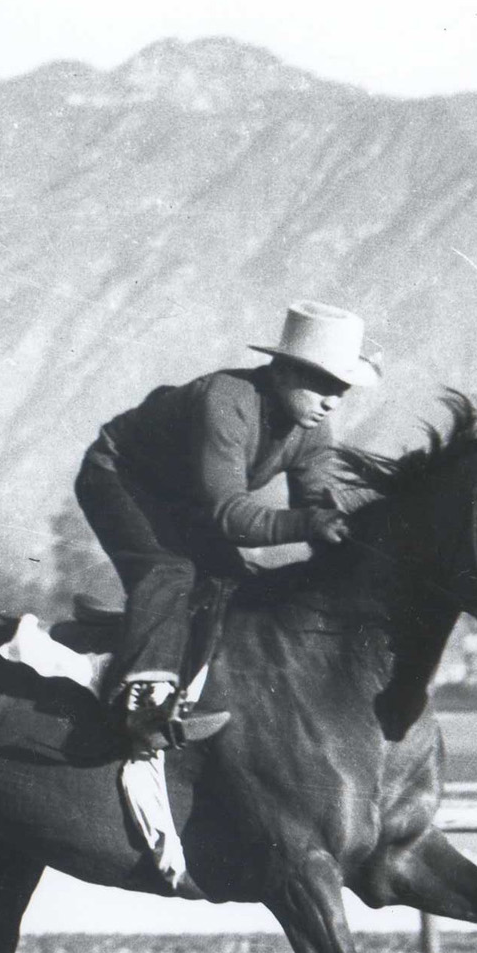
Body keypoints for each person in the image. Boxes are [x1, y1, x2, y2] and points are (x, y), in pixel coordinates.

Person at [74, 299, 378, 752]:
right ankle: (139, 706)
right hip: (118, 475)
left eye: (343, 390)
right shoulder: (227, 400)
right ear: (283, 372)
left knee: (233, 584)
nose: (333, 402)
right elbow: (234, 519)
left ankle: (201, 688)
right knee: (170, 572)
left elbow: (320, 504)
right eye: (324, 386)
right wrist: (315, 523)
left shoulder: (312, 432)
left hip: (185, 497)